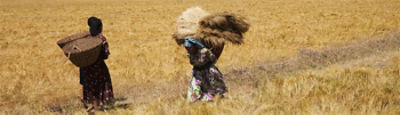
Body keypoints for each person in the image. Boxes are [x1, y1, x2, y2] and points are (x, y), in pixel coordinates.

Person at [80, 16, 114, 111]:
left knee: (92, 87)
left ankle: (95, 106)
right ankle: (101, 105)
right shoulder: (101, 39)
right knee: (101, 85)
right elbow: (106, 54)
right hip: (99, 67)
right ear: (99, 28)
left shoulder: (86, 39)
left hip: (87, 68)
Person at [184, 38, 227, 102]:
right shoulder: (189, 54)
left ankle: (213, 99)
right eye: (186, 48)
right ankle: (195, 99)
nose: (188, 50)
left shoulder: (204, 51)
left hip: (208, 72)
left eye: (189, 48)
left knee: (212, 88)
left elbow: (213, 59)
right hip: (197, 73)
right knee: (194, 87)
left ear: (194, 47)